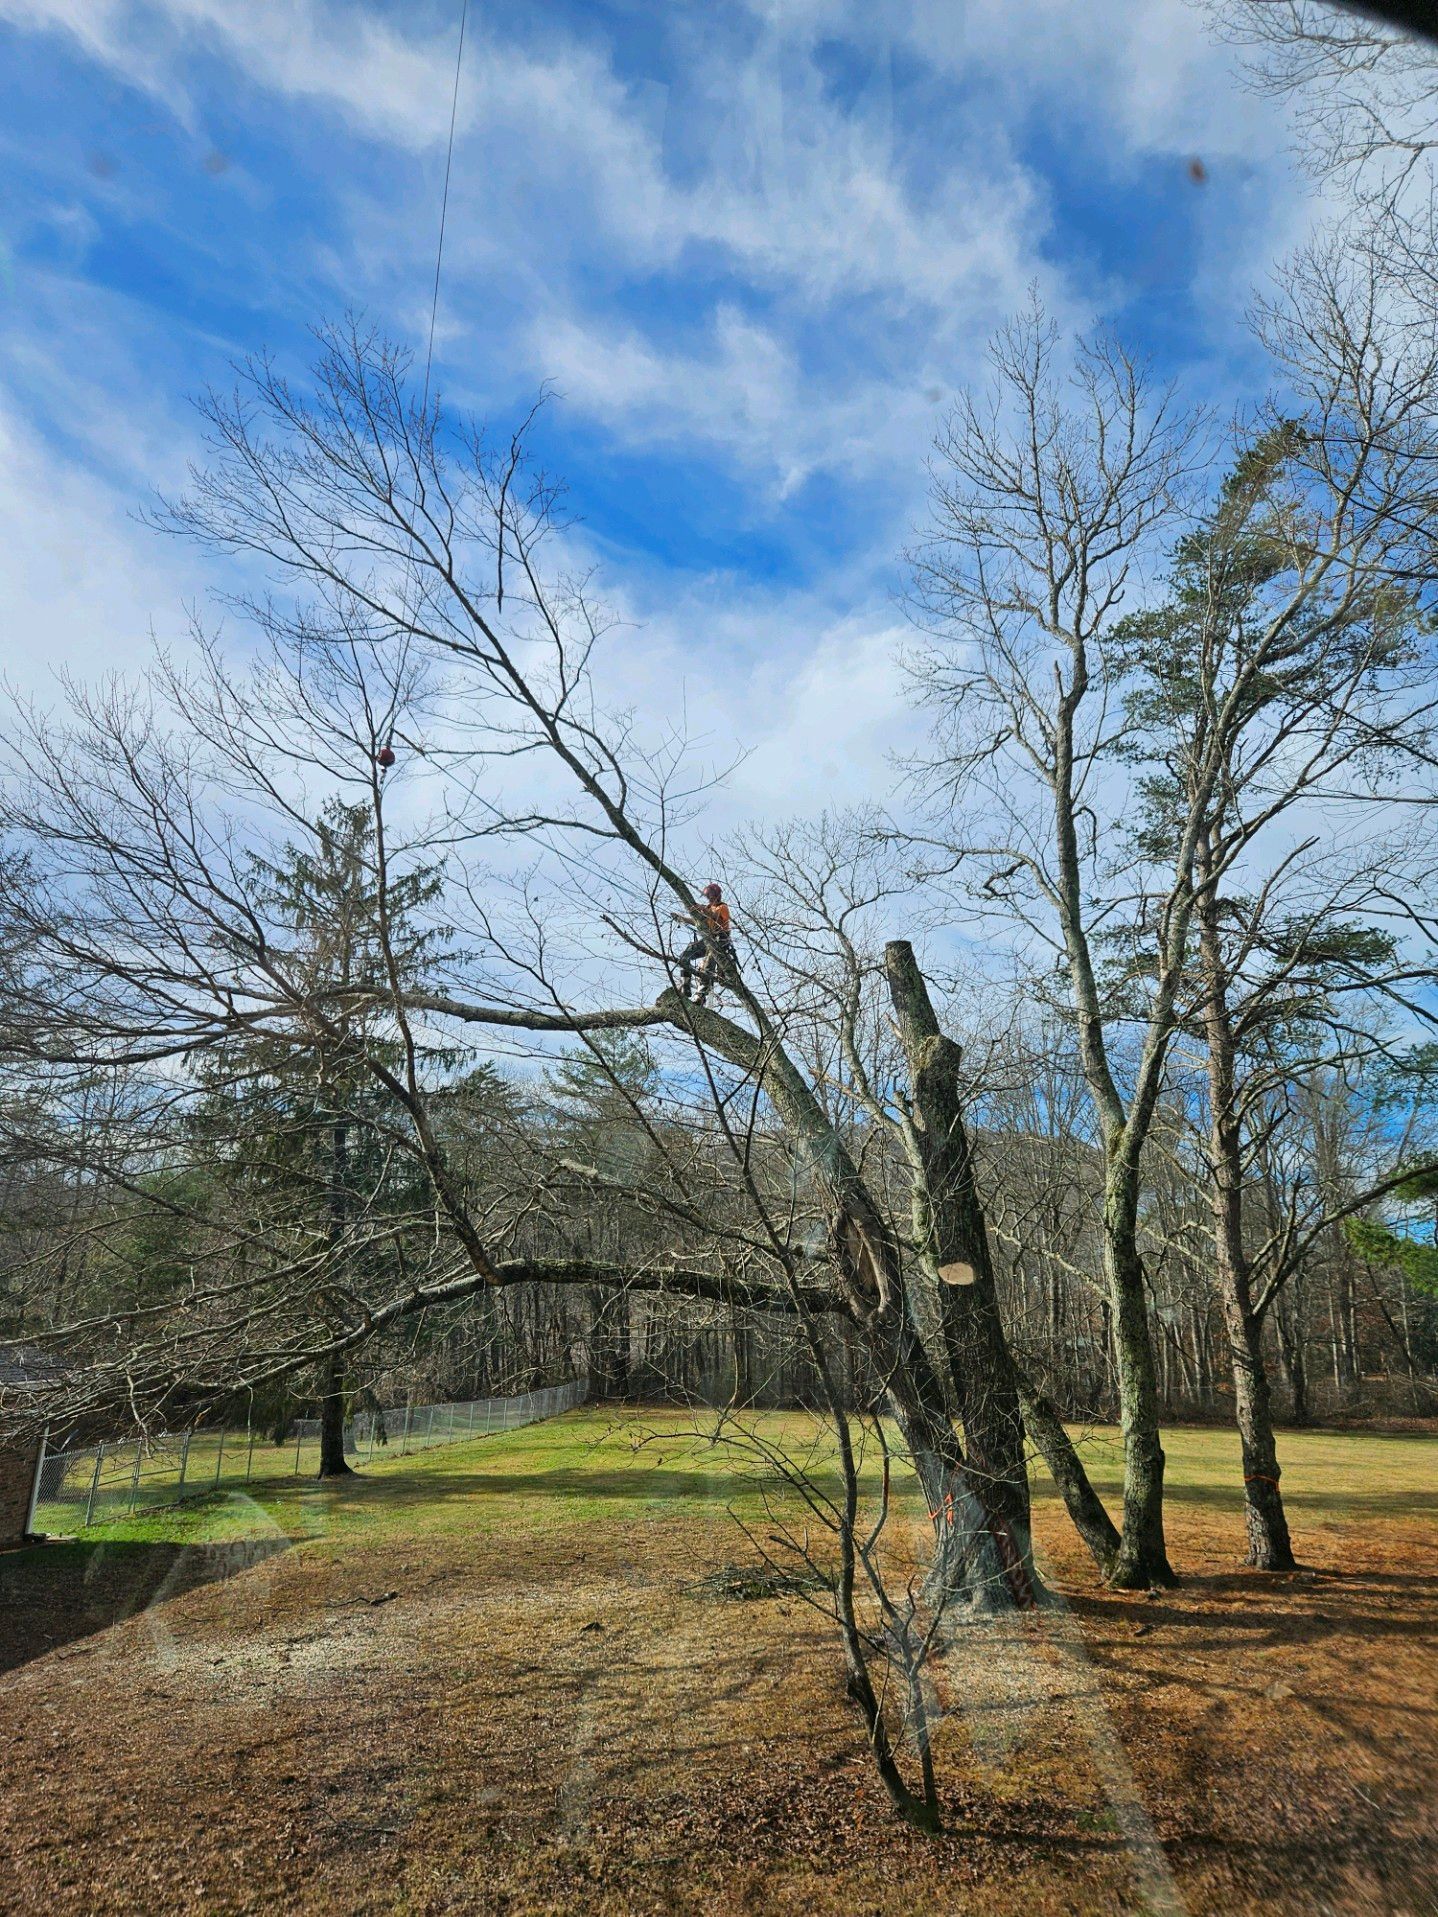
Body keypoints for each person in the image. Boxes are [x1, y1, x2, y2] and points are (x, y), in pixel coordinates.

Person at [675, 883, 735, 1004]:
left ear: (716, 895)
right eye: (708, 896)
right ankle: (685, 983)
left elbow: (716, 918)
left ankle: (700, 996)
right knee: (685, 954)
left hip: (720, 941)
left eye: (711, 895)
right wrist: (682, 918)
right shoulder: (708, 908)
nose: (709, 898)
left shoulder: (722, 907)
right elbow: (698, 921)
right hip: (708, 939)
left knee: (708, 966)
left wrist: (702, 909)